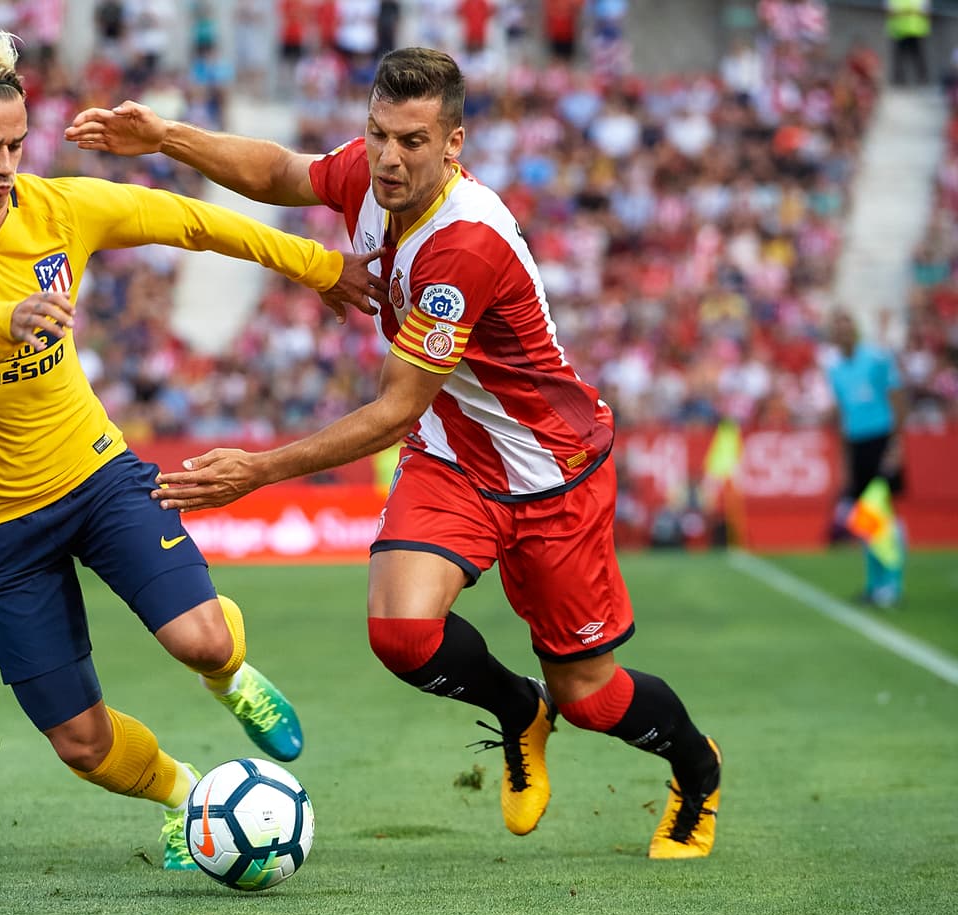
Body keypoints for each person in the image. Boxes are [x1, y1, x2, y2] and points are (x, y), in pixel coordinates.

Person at [66, 47, 723, 858]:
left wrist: (259, 470)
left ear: (454, 143)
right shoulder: (375, 180)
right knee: (402, 634)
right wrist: (165, 136)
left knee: (588, 694)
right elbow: (279, 172)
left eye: (412, 140)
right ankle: (520, 712)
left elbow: (392, 409)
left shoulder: (464, 245)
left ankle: (697, 770)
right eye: (378, 133)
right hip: (454, 453)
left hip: (551, 469)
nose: (388, 156)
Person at [0, 27, 384, 872]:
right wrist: (4, 321)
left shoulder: (59, 208)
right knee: (80, 743)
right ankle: (191, 799)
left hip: (97, 476)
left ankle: (234, 681)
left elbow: (189, 221)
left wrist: (317, 265)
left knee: (206, 641)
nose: (4, 167)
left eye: (15, 146)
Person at [824, 310, 908, 606]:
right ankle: (875, 584)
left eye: (847, 326)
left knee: (882, 515)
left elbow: (897, 398)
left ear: (856, 330)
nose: (843, 332)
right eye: (838, 328)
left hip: (880, 440)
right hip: (857, 445)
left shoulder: (875, 358)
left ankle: (892, 584)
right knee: (865, 518)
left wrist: (896, 445)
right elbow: (843, 415)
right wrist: (845, 462)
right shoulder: (834, 369)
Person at [886, 0, 931, 87]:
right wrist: (909, 12)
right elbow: (889, 12)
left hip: (917, 31)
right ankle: (899, 81)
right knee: (899, 58)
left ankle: (923, 79)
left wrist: (905, 12)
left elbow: (926, 12)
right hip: (899, 31)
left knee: (919, 57)